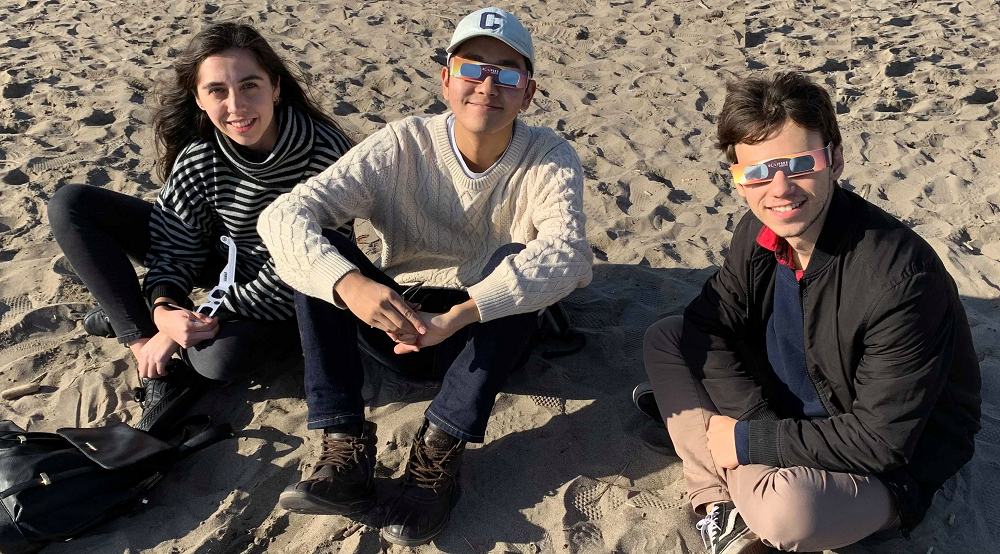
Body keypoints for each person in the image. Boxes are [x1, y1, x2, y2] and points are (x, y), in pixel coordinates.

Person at [258, 7, 592, 546]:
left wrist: (461, 312)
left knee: (517, 260)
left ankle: (436, 454)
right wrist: (351, 285)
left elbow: (570, 256)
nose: (488, 84)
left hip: (483, 333)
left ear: (528, 92)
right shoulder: (402, 143)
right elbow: (282, 215)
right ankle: (343, 447)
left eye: (508, 72)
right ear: (446, 79)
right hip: (398, 320)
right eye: (472, 67)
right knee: (325, 255)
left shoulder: (549, 155)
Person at [634, 72, 981, 554]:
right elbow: (707, 325)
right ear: (736, 176)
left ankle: (709, 472)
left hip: (890, 459)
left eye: (798, 164)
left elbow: (881, 441)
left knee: (789, 513)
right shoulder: (758, 233)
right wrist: (753, 427)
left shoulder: (901, 278)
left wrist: (744, 442)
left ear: (834, 159)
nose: (778, 189)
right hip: (786, 406)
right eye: (755, 172)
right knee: (666, 337)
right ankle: (721, 504)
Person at [47, 22, 354, 437]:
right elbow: (176, 246)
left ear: (276, 87)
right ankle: (148, 357)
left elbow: (311, 263)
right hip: (230, 262)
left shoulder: (324, 153)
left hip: (299, 286)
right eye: (217, 91)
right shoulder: (201, 155)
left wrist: (206, 313)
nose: (236, 106)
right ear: (198, 98)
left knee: (217, 360)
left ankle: (129, 316)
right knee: (72, 205)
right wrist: (164, 313)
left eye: (250, 86)